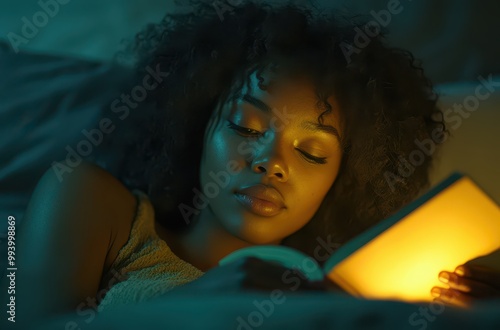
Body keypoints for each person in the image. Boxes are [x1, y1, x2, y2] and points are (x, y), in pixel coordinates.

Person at [4, 0, 499, 326]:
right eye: (246, 127)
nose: (272, 163)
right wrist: (200, 306)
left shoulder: (339, 297)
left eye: (312, 152)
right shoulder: (94, 203)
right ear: (198, 125)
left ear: (339, 180)